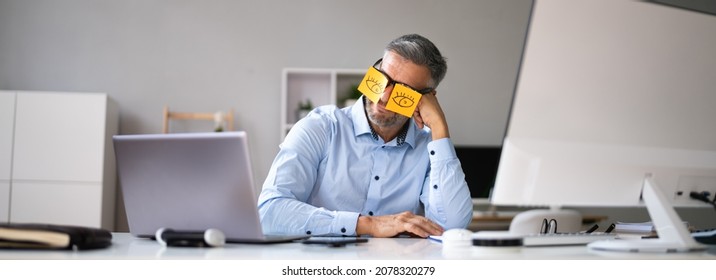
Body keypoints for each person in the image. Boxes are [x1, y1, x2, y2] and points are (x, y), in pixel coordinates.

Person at [258, 34, 472, 238]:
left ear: (426, 99)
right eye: (382, 78)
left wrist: (439, 127)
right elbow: (269, 212)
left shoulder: (428, 147)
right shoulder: (319, 128)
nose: (383, 96)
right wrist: (367, 225)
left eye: (403, 91)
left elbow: (451, 228)